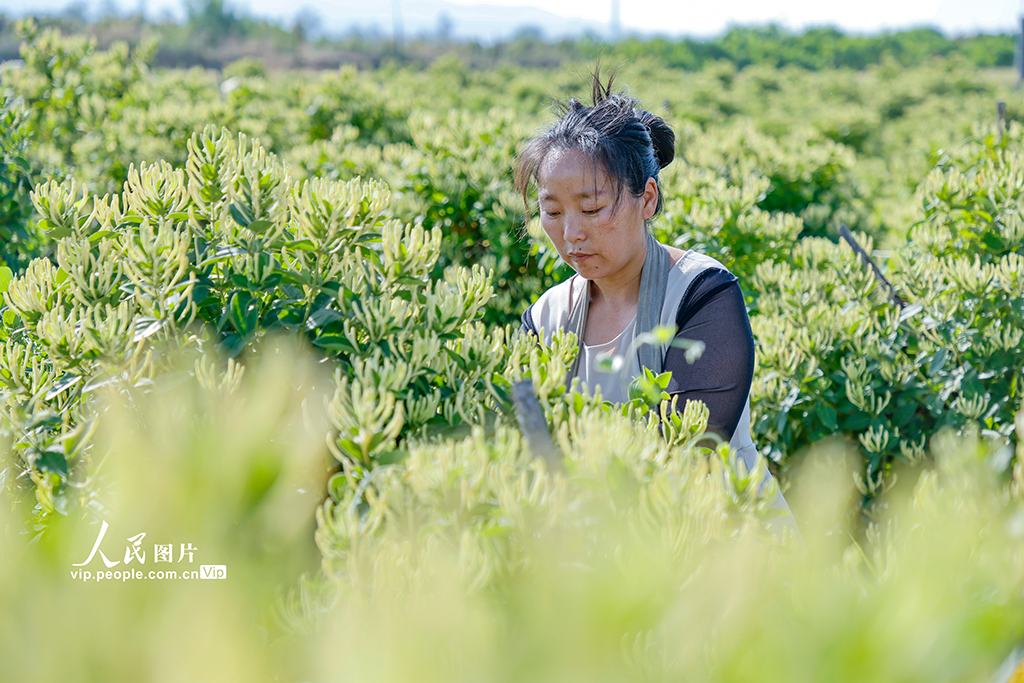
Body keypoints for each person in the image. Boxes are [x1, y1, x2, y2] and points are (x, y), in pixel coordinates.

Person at [514, 73, 797, 531]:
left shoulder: (702, 293)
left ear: (646, 198)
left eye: (590, 209)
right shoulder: (546, 317)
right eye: (552, 212)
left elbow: (692, 450)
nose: (571, 234)